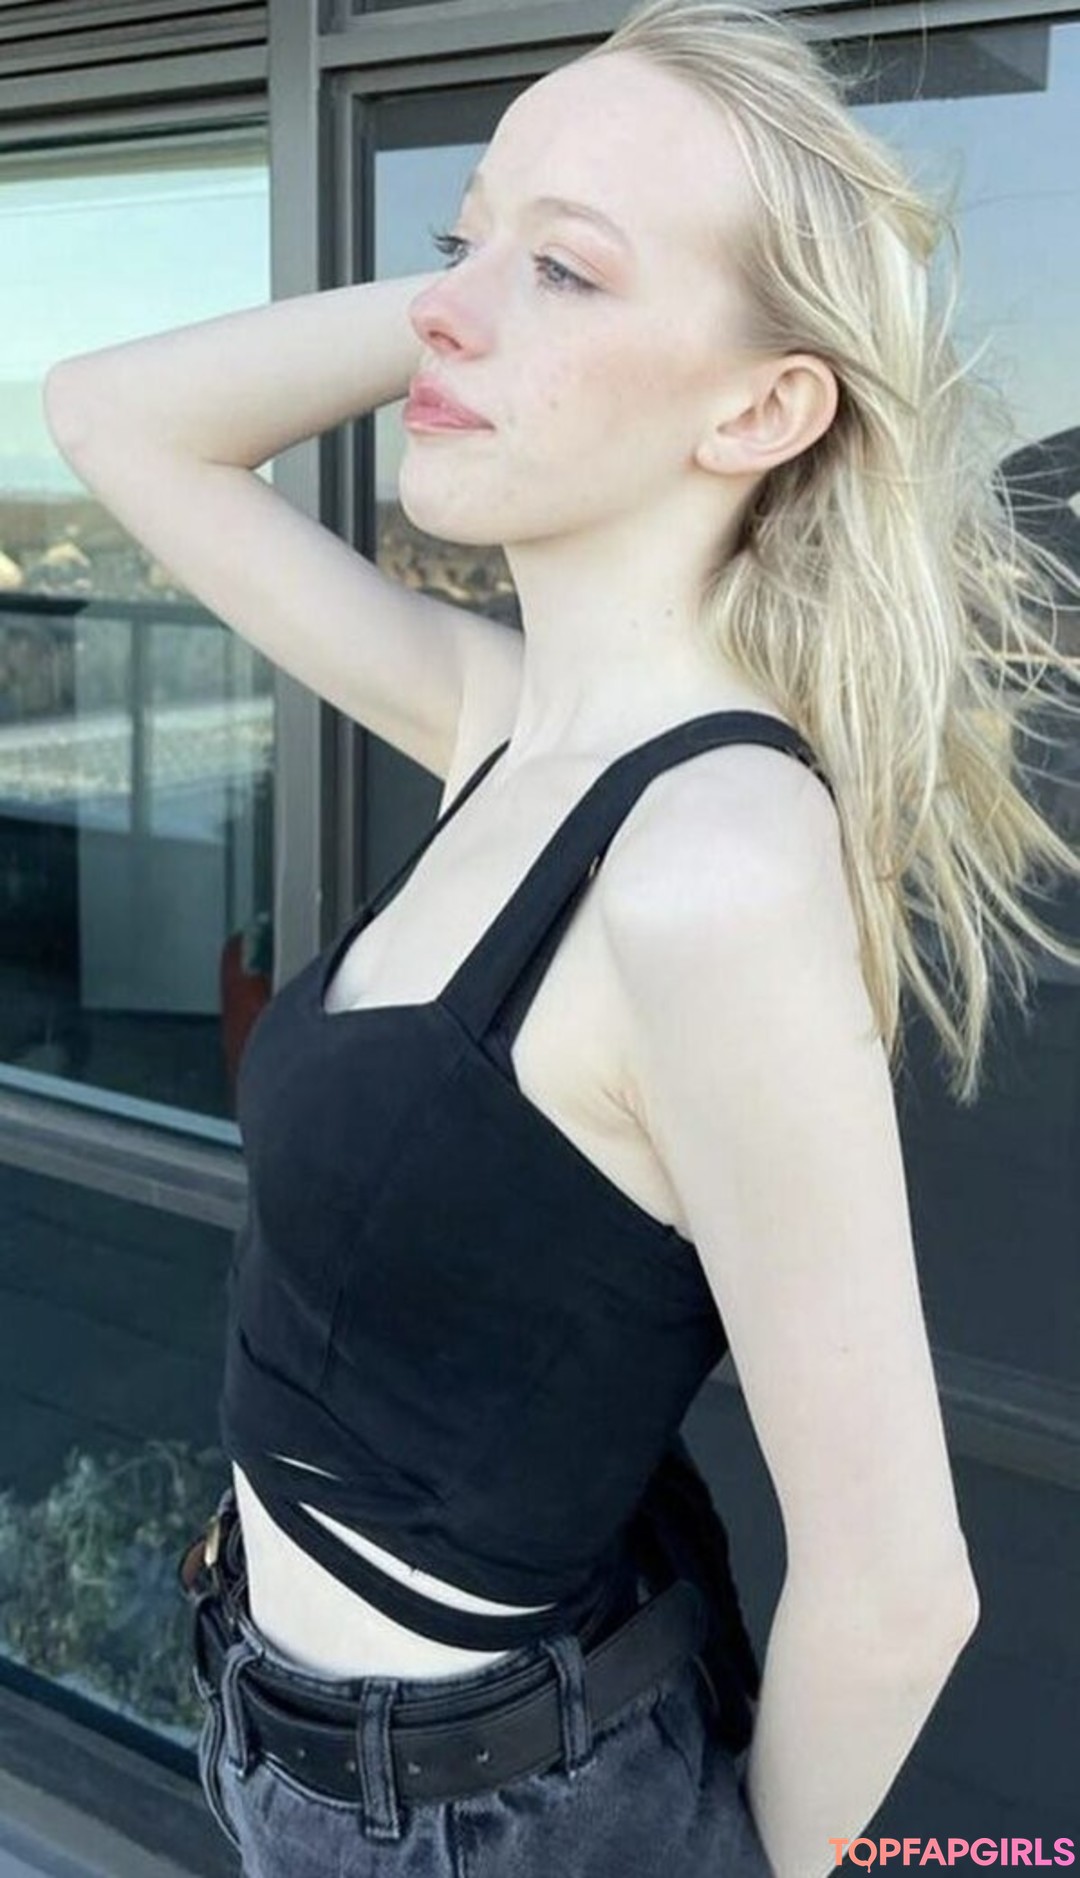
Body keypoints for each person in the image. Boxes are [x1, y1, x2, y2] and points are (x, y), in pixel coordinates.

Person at [43, 2, 1080, 1874]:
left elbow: (898, 1584)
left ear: (759, 410)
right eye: (462, 241)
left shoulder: (710, 861)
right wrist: (495, 280)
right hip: (285, 1732)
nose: (451, 308)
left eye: (570, 271)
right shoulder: (510, 722)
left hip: (491, 1820)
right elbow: (112, 418)